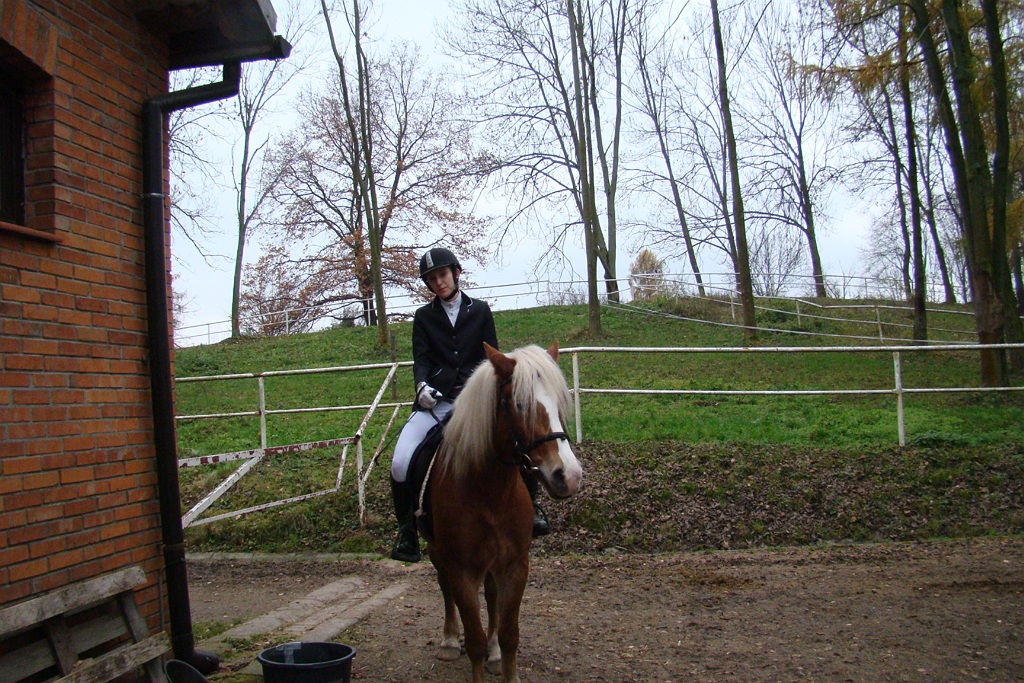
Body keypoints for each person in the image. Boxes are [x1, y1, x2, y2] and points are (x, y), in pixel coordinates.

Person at [389, 247, 550, 563]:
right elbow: (421, 360)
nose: (439, 282)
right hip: (437, 403)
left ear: (456, 273)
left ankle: (531, 511)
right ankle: (407, 531)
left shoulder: (480, 311)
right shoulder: (423, 317)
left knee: (519, 440)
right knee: (400, 461)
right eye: (432, 279)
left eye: (443, 275)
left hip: (476, 403)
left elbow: (492, 356)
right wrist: (421, 387)